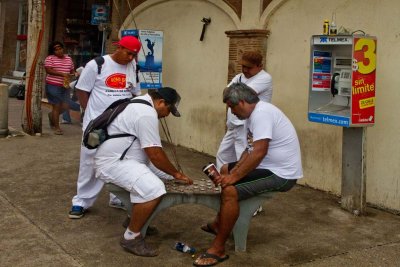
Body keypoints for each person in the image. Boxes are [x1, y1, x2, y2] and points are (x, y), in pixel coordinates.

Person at [194, 83, 303, 266]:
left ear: (242, 102)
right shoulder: (251, 116)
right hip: (268, 167)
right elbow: (249, 151)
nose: (230, 111)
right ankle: (219, 222)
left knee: (230, 191)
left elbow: (259, 152)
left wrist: (234, 178)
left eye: (231, 106)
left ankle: (218, 248)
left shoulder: (262, 114)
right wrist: (232, 173)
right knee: (224, 170)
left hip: (282, 174)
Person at [94, 87, 193, 257]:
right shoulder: (146, 113)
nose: (167, 115)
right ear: (161, 102)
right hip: (114, 162)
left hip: (125, 159)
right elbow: (155, 154)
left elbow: (150, 155)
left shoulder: (138, 103)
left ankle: (132, 218)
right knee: (153, 189)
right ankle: (131, 237)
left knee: (166, 177)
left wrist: (174, 174)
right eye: (169, 110)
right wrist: (177, 173)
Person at [69, 36, 142, 219]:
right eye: (128, 53)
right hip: (97, 124)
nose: (131, 58)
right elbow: (82, 90)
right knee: (89, 160)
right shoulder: (97, 64)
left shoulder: (133, 67)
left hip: (121, 124)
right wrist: (90, 114)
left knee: (119, 159)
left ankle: (117, 197)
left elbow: (135, 94)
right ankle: (81, 201)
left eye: (134, 55)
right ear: (119, 48)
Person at [216, 50, 272, 216]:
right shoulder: (240, 77)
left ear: (259, 66)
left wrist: (232, 92)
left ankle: (251, 201)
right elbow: (227, 93)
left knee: (245, 159)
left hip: (249, 125)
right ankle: (227, 189)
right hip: (234, 124)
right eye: (243, 66)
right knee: (223, 155)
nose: (245, 70)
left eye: (248, 67)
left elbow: (240, 95)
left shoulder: (264, 78)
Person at [44, 41, 75, 135]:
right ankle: (56, 127)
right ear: (53, 51)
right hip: (52, 85)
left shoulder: (69, 59)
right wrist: (61, 74)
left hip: (65, 86)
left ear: (63, 48)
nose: (58, 51)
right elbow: (48, 70)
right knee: (56, 106)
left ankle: (52, 115)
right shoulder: (50, 58)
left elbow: (71, 70)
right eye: (56, 49)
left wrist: (74, 73)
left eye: (60, 48)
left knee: (66, 106)